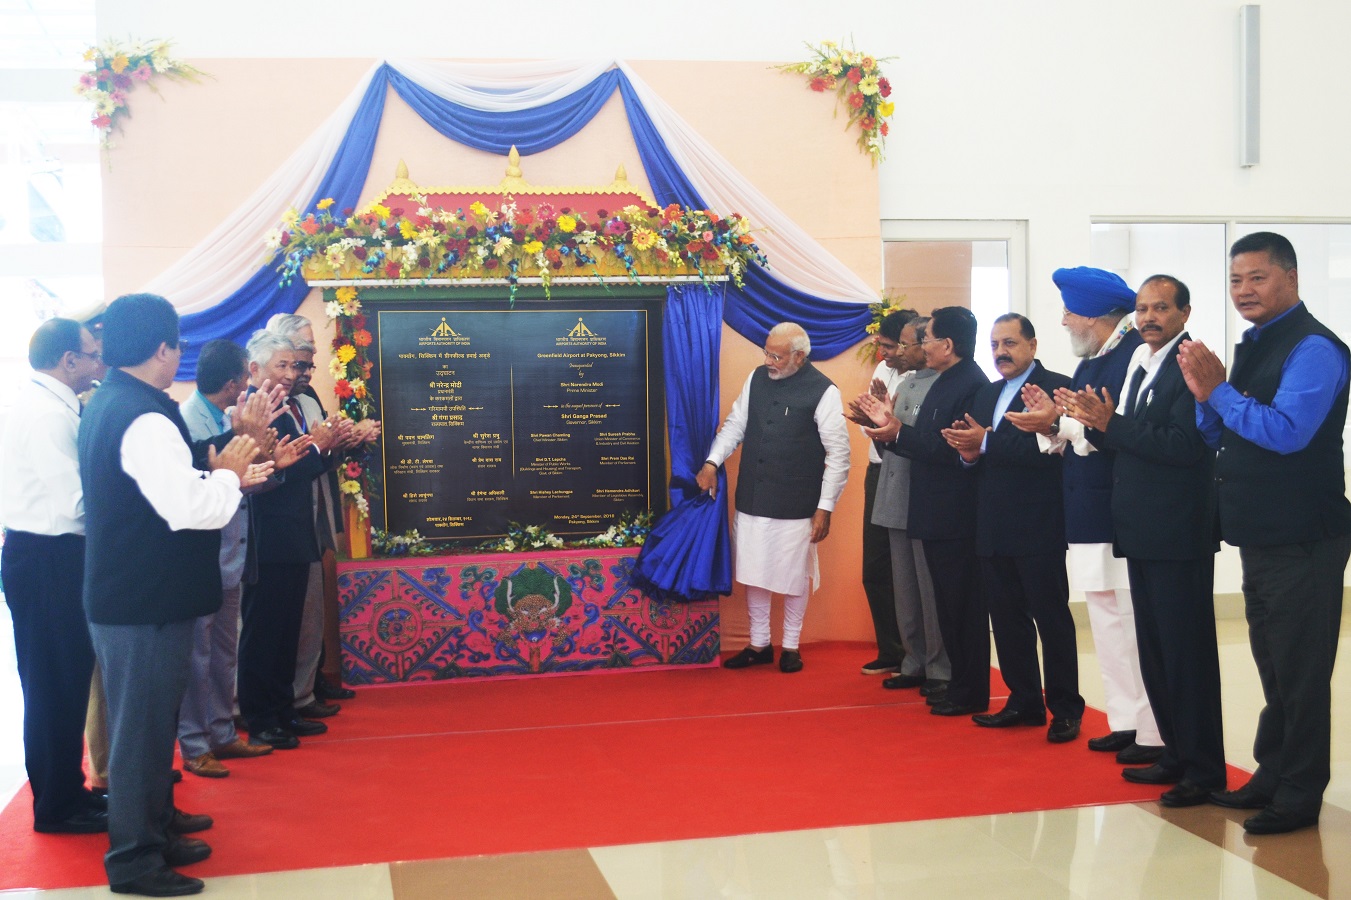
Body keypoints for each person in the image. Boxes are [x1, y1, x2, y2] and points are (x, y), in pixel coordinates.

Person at [80, 293, 271, 896]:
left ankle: (157, 825)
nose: (177, 358)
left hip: (139, 595)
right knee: (140, 733)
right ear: (163, 350)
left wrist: (217, 465)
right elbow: (187, 508)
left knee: (153, 723)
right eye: (176, 348)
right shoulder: (141, 415)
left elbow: (163, 485)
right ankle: (136, 859)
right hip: (142, 600)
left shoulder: (117, 400)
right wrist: (229, 475)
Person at [1179, 232, 1351, 834]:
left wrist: (1219, 391)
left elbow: (1286, 433)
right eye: (1235, 280)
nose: (1244, 291)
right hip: (1261, 532)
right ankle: (1272, 773)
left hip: (1305, 533)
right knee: (1275, 664)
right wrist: (1206, 396)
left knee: (1301, 670)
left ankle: (1301, 793)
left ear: (1292, 277)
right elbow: (1217, 431)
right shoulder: (1254, 344)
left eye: (1257, 277)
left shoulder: (1315, 348)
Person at [1063, 275, 1224, 808]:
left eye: (1161, 308)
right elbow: (1124, 439)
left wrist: (1112, 425)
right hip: (1141, 529)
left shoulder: (1190, 362)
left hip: (1178, 531)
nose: (1149, 317)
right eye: (1142, 308)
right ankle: (1175, 754)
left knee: (1186, 656)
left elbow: (1186, 446)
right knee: (1156, 652)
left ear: (1185, 312)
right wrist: (1088, 424)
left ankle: (1204, 769)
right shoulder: (1141, 362)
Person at [1007, 267, 1163, 764]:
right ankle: (1124, 720)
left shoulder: (1130, 357)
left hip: (1115, 511)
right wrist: (1050, 427)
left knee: (1131, 620)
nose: (1065, 321)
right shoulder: (1094, 360)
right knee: (1105, 619)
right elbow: (1076, 436)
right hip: (1088, 511)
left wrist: (1061, 424)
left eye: (1070, 313)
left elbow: (1112, 434)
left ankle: (1152, 729)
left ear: (1095, 316)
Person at [943, 314, 1082, 742]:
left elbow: (1045, 450)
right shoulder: (985, 393)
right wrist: (967, 454)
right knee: (1005, 620)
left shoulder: (1057, 387)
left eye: (1010, 343)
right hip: (991, 525)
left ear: (1033, 345)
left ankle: (1064, 709)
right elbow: (975, 453)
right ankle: (1024, 701)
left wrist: (983, 442)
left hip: (1039, 523)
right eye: (995, 345)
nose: (1001, 352)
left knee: (1051, 619)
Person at [0, 318, 107, 834]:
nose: (97, 361)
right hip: (48, 557)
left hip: (51, 556)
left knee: (63, 683)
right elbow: (76, 505)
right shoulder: (46, 414)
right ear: (68, 360)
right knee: (52, 685)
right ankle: (57, 806)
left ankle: (70, 791)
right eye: (91, 353)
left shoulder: (52, 405)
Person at [859, 306, 991, 716]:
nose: (922, 347)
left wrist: (898, 433)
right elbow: (929, 440)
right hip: (931, 508)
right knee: (945, 603)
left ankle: (960, 684)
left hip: (954, 513)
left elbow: (949, 446)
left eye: (927, 339)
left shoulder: (969, 384)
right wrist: (889, 429)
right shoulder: (941, 381)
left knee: (958, 605)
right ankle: (955, 684)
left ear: (947, 345)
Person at [696, 322, 850, 673]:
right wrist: (711, 462)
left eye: (776, 356)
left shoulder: (823, 391)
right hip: (753, 496)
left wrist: (825, 509)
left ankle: (792, 647)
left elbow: (839, 456)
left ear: (799, 356)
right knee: (754, 571)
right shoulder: (756, 378)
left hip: (797, 504)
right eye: (766, 352)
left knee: (794, 576)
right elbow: (735, 425)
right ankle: (759, 643)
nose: (768, 360)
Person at [237, 330, 349, 749]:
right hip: (266, 538)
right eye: (282, 365)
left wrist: (327, 447)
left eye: (296, 365)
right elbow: (274, 476)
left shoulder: (288, 406)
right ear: (256, 368)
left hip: (295, 533)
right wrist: (318, 450)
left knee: (286, 630)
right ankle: (260, 716)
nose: (290, 373)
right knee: (263, 632)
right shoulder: (253, 411)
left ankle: (284, 708)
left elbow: (301, 467)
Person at [176, 339, 280, 778]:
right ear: (234, 381)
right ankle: (194, 743)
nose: (251, 385)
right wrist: (243, 438)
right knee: (196, 655)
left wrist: (272, 465)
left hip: (233, 548)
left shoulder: (226, 415)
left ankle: (221, 731)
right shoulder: (187, 419)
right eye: (247, 376)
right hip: (201, 552)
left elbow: (236, 481)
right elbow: (203, 477)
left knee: (223, 651)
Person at [857, 316, 950, 695]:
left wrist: (892, 428)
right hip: (891, 482)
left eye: (914, 344)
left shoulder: (943, 385)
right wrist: (878, 423)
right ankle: (912, 660)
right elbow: (892, 439)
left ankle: (938, 667)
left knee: (927, 586)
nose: (914, 351)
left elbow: (927, 441)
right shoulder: (907, 381)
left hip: (921, 490)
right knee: (900, 582)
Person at [850, 310, 916, 676]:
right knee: (874, 567)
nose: (885, 354)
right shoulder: (882, 372)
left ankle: (916, 654)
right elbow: (869, 433)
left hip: (907, 472)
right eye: (882, 347)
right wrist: (869, 421)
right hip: (878, 472)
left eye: (891, 347)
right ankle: (890, 650)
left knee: (910, 570)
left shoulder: (923, 377)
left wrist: (888, 422)